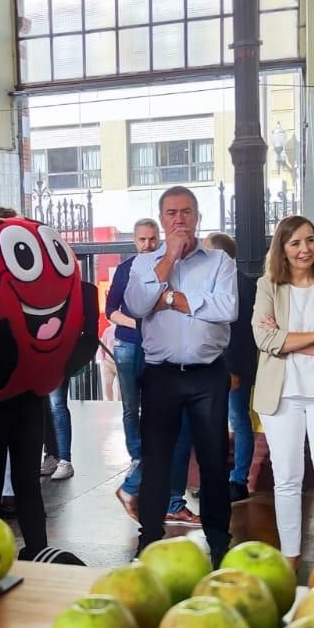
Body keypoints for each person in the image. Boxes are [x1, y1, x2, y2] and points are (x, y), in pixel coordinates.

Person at [124, 186, 239, 559]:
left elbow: (226, 309)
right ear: (162, 219)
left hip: (207, 374)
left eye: (186, 212)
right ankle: (149, 535)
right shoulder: (144, 263)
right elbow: (138, 304)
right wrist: (169, 258)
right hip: (161, 375)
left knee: (213, 455)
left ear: (198, 217)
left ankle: (219, 537)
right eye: (171, 213)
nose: (179, 219)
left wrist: (171, 298)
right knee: (156, 458)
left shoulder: (220, 261)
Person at [252, 216, 314, 572]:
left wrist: (289, 341)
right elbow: (263, 340)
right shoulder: (268, 286)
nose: (304, 249)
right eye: (295, 243)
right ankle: (290, 555)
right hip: (281, 395)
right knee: (287, 477)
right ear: (282, 248)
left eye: (310, 240)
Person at [110, 218, 160, 519]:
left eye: (152, 239)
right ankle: (137, 456)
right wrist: (140, 325)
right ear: (135, 240)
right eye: (142, 239)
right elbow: (111, 311)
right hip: (129, 343)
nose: (147, 245)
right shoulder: (125, 269)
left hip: (157, 347)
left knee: (156, 407)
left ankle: (144, 463)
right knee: (131, 406)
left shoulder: (168, 264)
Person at [205, 231, 258, 504]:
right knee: (218, 422)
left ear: (219, 255)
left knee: (237, 420)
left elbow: (241, 333)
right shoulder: (217, 282)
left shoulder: (242, 285)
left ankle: (238, 481)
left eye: (206, 250)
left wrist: (234, 369)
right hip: (214, 366)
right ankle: (221, 481)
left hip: (231, 367)